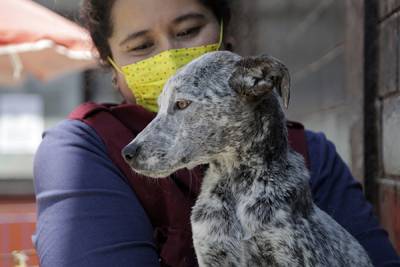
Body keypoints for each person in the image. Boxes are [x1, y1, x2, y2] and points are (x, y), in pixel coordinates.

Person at [33, 0, 400, 266]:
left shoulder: (309, 151)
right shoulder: (88, 147)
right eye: (142, 46)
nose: (173, 55)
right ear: (112, 67)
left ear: (227, 33)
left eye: (189, 31)